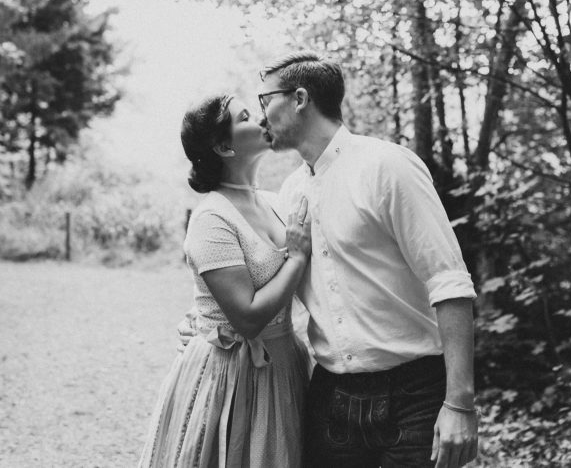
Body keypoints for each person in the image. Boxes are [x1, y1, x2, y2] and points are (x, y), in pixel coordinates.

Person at [259, 51, 479, 468]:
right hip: (330, 398)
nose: (260, 116)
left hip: (415, 394)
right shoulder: (289, 193)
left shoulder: (387, 167)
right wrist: (210, 329)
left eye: (264, 100)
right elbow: (271, 280)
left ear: (300, 98)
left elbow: (449, 282)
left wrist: (460, 404)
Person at [137, 94, 313, 468]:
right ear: (223, 146)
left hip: (284, 365)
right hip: (233, 377)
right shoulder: (211, 219)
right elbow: (246, 318)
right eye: (246, 116)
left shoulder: (275, 202)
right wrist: (296, 258)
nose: (262, 118)